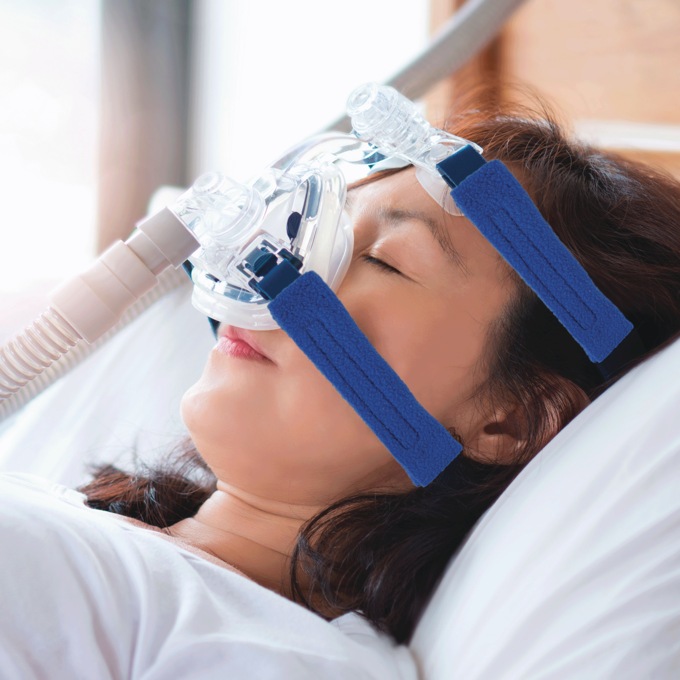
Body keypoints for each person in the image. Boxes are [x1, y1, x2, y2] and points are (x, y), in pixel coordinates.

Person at [2, 91, 680, 678]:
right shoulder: (101, 538)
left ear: (508, 421)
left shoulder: (260, 650)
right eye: (315, 233)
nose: (287, 271)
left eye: (383, 260)